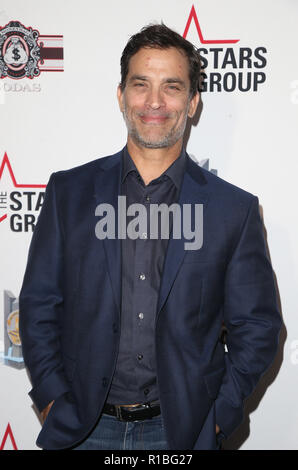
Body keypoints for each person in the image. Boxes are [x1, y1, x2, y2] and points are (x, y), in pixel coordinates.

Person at [19, 23, 281, 451]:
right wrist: (50, 399)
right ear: (121, 95)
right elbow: (38, 304)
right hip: (82, 429)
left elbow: (258, 327)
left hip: (181, 433)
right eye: (141, 84)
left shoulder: (233, 210)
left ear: (193, 103)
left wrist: (217, 418)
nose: (154, 102)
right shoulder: (69, 193)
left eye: (172, 87)